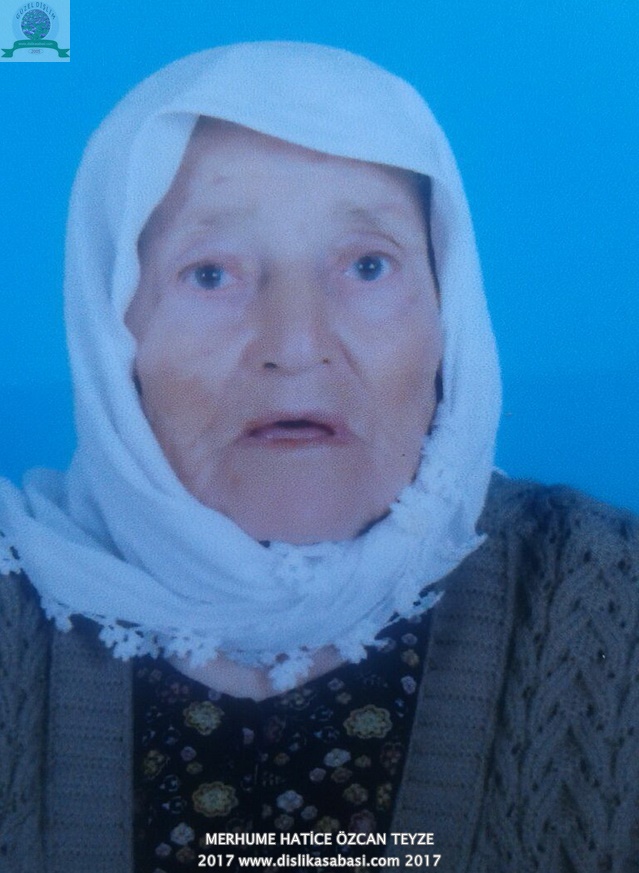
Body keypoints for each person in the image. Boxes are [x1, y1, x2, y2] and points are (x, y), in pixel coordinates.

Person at [1, 41, 638, 873]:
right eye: (209, 274)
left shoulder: (611, 596)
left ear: (448, 317)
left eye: (367, 265)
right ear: (111, 332)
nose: (296, 344)